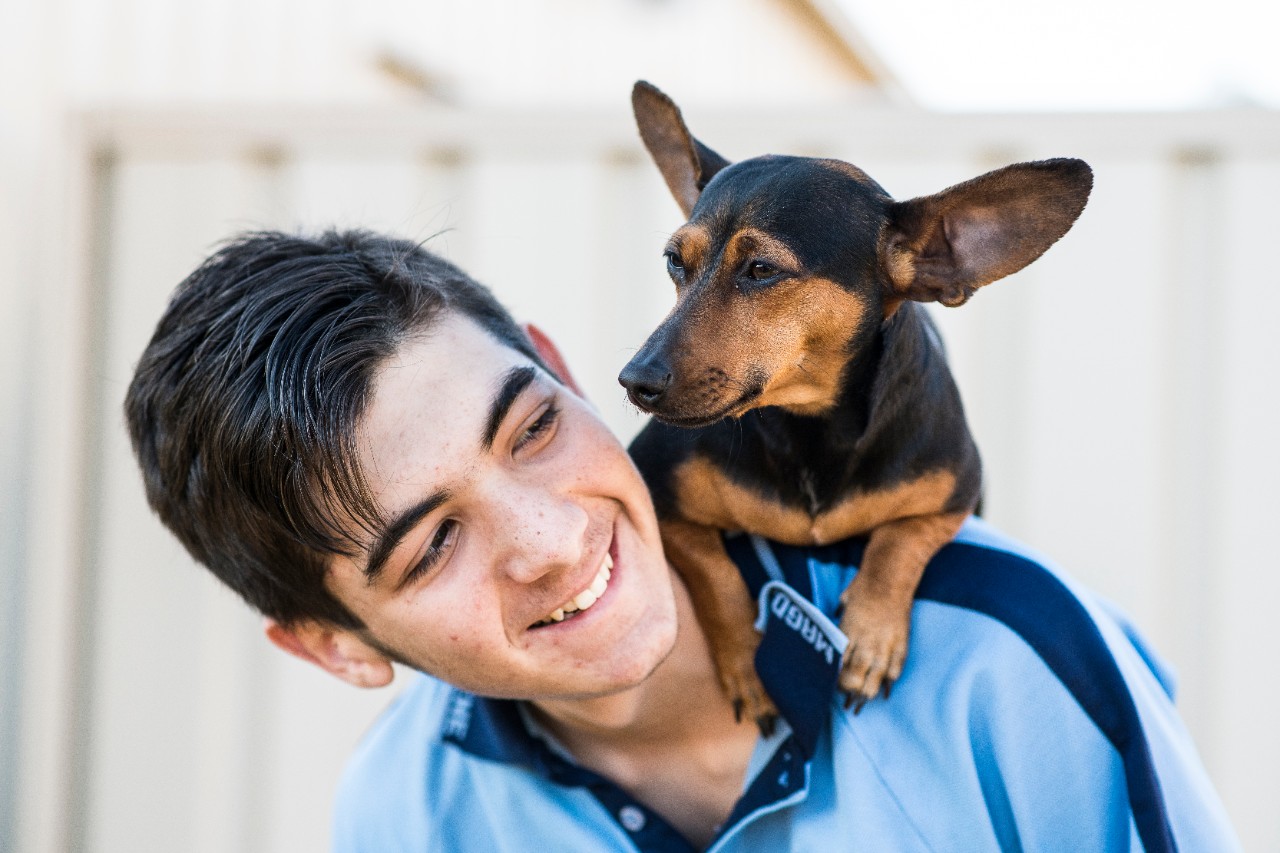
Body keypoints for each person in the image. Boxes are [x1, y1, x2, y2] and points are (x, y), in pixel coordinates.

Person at [124, 229, 1239, 852]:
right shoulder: (401, 818)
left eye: (533, 428)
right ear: (336, 648)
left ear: (560, 365)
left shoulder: (1010, 656)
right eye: (430, 547)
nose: (554, 540)